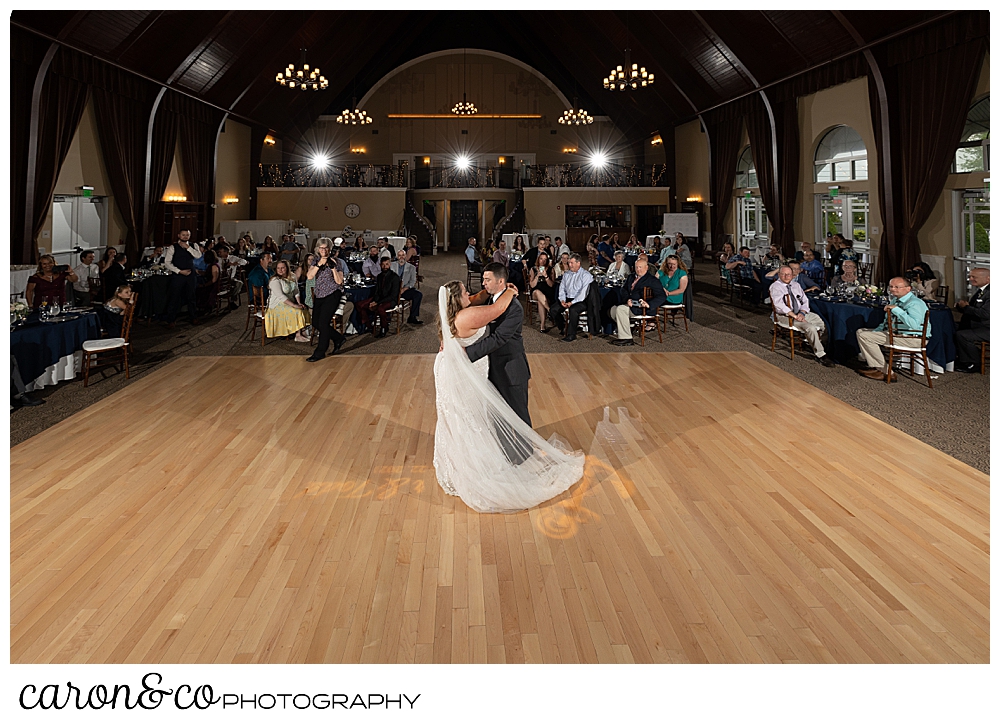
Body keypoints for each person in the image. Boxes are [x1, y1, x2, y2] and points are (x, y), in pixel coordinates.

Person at [433, 278, 584, 513]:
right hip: (464, 373)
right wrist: (511, 291)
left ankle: (461, 466)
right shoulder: (465, 317)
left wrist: (487, 290)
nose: (470, 294)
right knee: (471, 419)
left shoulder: (454, 314)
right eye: (465, 292)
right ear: (456, 298)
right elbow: (496, 309)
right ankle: (479, 468)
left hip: (451, 369)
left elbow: (477, 299)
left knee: (460, 417)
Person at [856, 277, 931, 382]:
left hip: (914, 338)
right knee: (861, 332)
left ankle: (886, 371)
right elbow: (887, 323)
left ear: (908, 288)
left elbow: (913, 325)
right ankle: (878, 368)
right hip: (898, 334)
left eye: (897, 287)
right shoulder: (896, 300)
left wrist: (896, 310)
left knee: (865, 337)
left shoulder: (915, 303)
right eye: (891, 286)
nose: (893, 289)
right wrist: (876, 331)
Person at [770, 266, 836, 367]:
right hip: (785, 316)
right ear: (779, 275)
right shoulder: (775, 286)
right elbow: (779, 305)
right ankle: (821, 355)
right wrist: (795, 316)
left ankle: (812, 343)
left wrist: (802, 313)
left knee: (822, 323)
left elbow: (805, 301)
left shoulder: (796, 285)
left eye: (789, 274)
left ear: (792, 275)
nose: (786, 276)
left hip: (799, 313)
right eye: (783, 274)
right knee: (810, 327)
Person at [608, 256, 666, 347]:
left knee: (620, 310)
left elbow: (662, 296)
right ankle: (629, 326)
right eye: (636, 267)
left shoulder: (652, 280)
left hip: (642, 308)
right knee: (612, 311)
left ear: (646, 268)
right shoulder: (631, 277)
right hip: (631, 305)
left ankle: (626, 338)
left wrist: (648, 304)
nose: (638, 270)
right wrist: (627, 299)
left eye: (640, 267)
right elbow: (624, 290)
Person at [305, 238, 346, 362]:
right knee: (316, 322)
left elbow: (339, 281)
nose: (324, 250)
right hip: (319, 294)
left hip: (333, 294)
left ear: (330, 248)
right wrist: (319, 264)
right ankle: (338, 338)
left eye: (326, 248)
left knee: (323, 323)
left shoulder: (337, 261)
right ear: (318, 249)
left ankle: (320, 352)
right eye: (321, 248)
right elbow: (309, 276)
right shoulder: (315, 261)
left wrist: (332, 267)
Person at [548, 253, 593, 342]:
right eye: (569, 263)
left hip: (581, 300)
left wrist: (572, 303)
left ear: (578, 263)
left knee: (573, 310)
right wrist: (562, 300)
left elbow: (583, 294)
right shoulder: (566, 274)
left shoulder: (586, 275)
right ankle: (563, 327)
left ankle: (572, 334)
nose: (569, 265)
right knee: (553, 309)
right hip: (567, 298)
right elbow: (562, 288)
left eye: (572, 263)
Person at [163, 228, 203, 327]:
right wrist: (179, 271)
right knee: (174, 297)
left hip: (191, 274)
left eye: (187, 235)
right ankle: (171, 319)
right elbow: (167, 263)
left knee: (191, 296)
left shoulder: (194, 245)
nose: (185, 236)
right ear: (179, 235)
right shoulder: (173, 247)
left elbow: (198, 256)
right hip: (178, 275)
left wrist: (188, 247)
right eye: (183, 235)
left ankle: (193, 317)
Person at [265, 260, 311, 342]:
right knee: (297, 311)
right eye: (278, 268)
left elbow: (296, 291)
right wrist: (294, 305)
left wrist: (299, 302)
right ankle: (298, 334)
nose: (280, 270)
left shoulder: (292, 276)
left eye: (282, 268)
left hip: (289, 301)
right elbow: (281, 297)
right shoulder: (275, 280)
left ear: (287, 268)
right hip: (277, 305)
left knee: (303, 308)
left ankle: (303, 330)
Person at [954, 267, 989, 373]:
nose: (970, 279)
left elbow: (985, 314)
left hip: (987, 327)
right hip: (978, 323)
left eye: (974, 277)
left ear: (987, 278)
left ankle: (973, 363)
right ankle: (960, 357)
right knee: (951, 326)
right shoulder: (981, 290)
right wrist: (961, 307)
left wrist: (966, 307)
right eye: (970, 276)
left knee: (962, 335)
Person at [357, 257, 401, 337]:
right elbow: (377, 291)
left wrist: (377, 302)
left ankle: (384, 327)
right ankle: (369, 326)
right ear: (380, 265)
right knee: (360, 305)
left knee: (380, 308)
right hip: (379, 298)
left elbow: (393, 295)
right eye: (383, 265)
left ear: (390, 264)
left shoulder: (395, 277)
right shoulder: (379, 276)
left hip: (390, 300)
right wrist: (374, 301)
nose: (385, 266)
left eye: (387, 264)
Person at [391, 249, 423, 324]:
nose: (401, 257)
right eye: (399, 255)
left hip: (405, 289)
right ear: (397, 256)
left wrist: (405, 288)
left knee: (418, 295)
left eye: (403, 255)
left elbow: (413, 281)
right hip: (393, 290)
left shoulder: (411, 267)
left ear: (405, 256)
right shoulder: (392, 265)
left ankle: (412, 317)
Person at [528, 252, 557, 333]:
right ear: (538, 259)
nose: (543, 261)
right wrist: (537, 275)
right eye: (541, 259)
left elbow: (551, 285)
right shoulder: (533, 269)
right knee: (537, 292)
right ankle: (550, 311)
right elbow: (532, 285)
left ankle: (542, 325)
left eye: (545, 259)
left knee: (541, 302)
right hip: (535, 292)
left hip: (547, 292)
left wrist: (546, 276)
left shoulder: (551, 269)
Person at [195, 249, 221, 314]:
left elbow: (213, 280)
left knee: (197, 289)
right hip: (211, 284)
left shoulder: (214, 266)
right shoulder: (212, 265)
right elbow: (208, 274)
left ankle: (202, 307)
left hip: (212, 287)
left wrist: (203, 285)